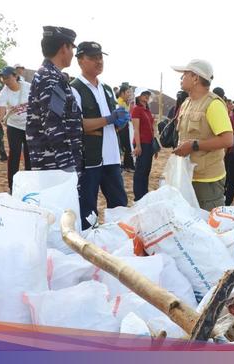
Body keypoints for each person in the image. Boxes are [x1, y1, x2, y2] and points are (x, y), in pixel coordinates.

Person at [70, 41, 130, 229]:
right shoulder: (75, 89)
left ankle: (119, 241)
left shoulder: (106, 88)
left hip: (112, 157)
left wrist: (119, 122)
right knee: (88, 207)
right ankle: (90, 247)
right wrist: (109, 119)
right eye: (93, 58)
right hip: (91, 158)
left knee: (119, 203)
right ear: (80, 61)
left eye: (100, 57)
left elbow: (110, 122)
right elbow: (79, 125)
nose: (99, 61)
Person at [172, 59, 233, 210]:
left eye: (185, 74)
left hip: (207, 180)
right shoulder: (187, 103)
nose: (181, 78)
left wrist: (193, 145)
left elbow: (227, 140)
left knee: (208, 226)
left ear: (195, 78)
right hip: (188, 175)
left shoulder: (213, 105)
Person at [26, 26, 84, 174]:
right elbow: (53, 122)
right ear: (64, 47)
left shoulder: (50, 74)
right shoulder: (50, 77)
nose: (72, 54)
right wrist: (66, 164)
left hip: (53, 161)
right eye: (72, 48)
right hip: (55, 165)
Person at [0, 66, 31, 191]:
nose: (5, 80)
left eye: (8, 77)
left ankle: (30, 185)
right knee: (14, 154)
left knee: (29, 155)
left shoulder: (28, 87)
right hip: (14, 126)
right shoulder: (4, 92)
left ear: (15, 76)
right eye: (3, 78)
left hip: (30, 126)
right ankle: (12, 186)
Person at [131, 87, 158, 201]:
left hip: (148, 143)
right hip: (141, 143)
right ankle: (139, 197)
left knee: (146, 170)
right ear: (138, 96)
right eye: (144, 94)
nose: (146, 96)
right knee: (140, 171)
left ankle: (144, 195)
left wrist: (154, 146)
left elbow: (151, 129)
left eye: (147, 94)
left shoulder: (146, 109)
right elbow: (136, 129)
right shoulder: (137, 109)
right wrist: (138, 146)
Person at [116, 84, 135, 172]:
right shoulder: (118, 103)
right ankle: (127, 165)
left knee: (127, 146)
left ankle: (127, 165)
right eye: (128, 92)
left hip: (126, 126)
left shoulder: (124, 102)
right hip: (121, 127)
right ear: (122, 93)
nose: (129, 94)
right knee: (126, 146)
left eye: (130, 92)